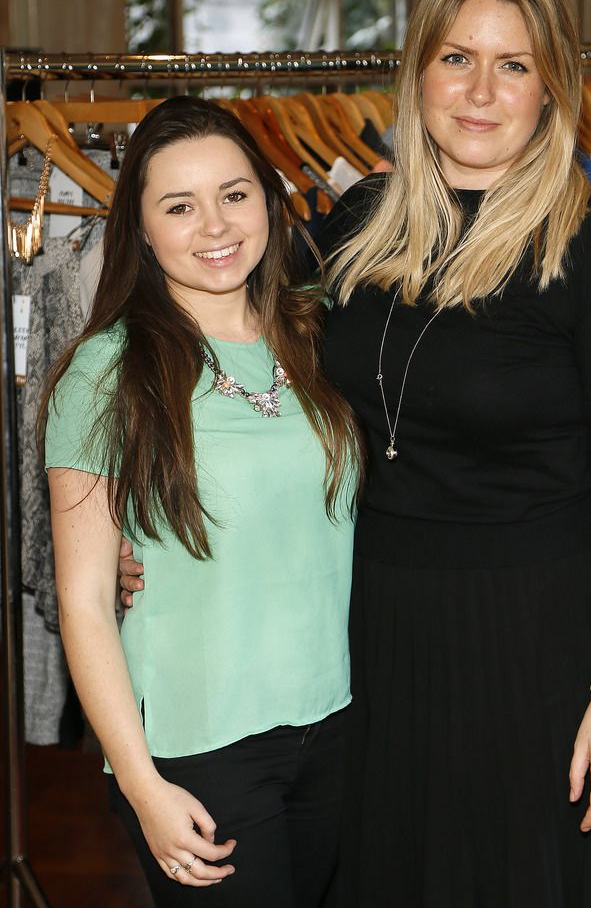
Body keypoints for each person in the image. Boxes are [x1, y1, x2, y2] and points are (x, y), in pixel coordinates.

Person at [121, 0, 591, 906]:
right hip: (381, 643)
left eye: (513, 64)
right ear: (415, 72)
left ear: (551, 87)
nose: (480, 91)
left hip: (542, 652)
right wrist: (132, 536)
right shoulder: (354, 229)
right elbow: (225, 368)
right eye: (455, 57)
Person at [41, 96, 363, 907]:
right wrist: (143, 787)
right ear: (141, 231)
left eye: (234, 194)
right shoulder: (105, 372)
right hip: (198, 749)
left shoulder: (320, 331)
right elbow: (83, 606)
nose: (215, 226)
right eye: (179, 206)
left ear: (270, 198)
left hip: (338, 725)